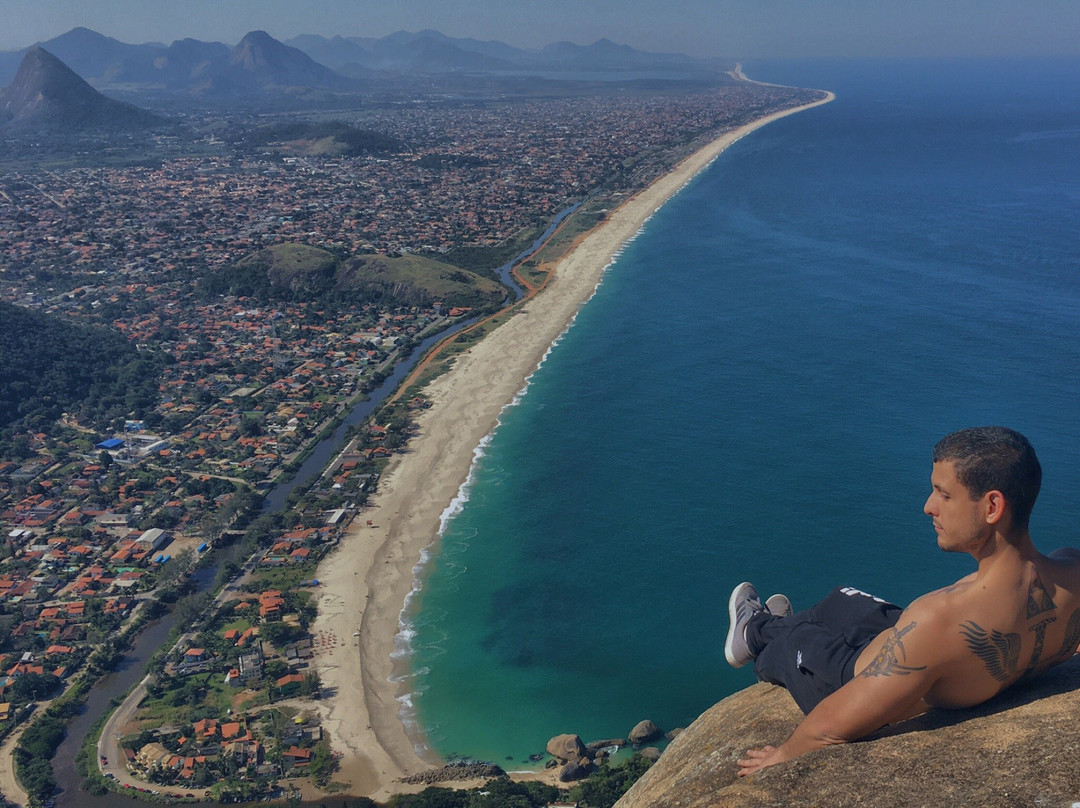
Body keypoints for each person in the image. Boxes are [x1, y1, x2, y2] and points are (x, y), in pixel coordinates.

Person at [725, 426, 1080, 777]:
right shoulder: (1073, 570)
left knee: (794, 638)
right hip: (910, 645)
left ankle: (754, 632)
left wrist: (782, 755)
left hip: (847, 675)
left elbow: (829, 729)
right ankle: (780, 623)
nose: (929, 507)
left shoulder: (939, 619)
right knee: (843, 599)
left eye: (944, 495)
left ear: (992, 506)